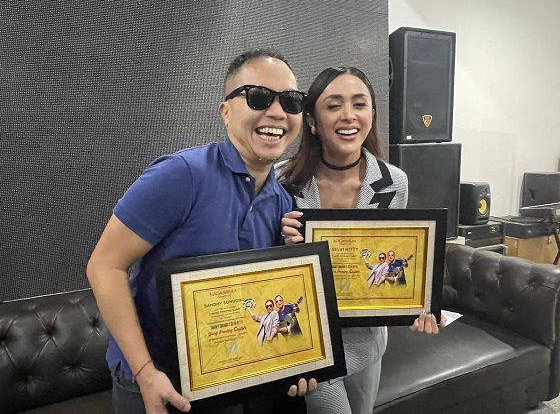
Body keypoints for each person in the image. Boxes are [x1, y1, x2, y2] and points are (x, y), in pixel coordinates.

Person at [86, 48, 315, 414]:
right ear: (226, 111)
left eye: (290, 101)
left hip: (230, 377)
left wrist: (297, 359)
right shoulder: (181, 175)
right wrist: (146, 373)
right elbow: (104, 266)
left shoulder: (283, 201)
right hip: (156, 382)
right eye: (258, 97)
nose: (277, 112)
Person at [277, 66, 446, 414]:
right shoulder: (281, 181)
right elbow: (262, 272)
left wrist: (415, 304)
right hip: (309, 340)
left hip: (367, 338)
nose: (348, 115)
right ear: (311, 121)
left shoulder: (394, 182)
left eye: (359, 104)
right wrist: (285, 249)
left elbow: (394, 260)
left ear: (372, 114)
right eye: (333, 105)